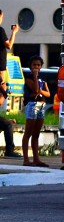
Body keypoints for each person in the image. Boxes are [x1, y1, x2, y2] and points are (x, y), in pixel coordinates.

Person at [22, 55, 50, 167]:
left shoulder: (42, 79)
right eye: (34, 65)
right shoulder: (28, 77)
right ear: (30, 66)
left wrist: (40, 92)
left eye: (38, 65)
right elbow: (35, 89)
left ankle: (36, 159)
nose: (36, 67)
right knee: (28, 132)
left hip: (42, 105)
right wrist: (34, 77)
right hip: (32, 105)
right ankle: (26, 159)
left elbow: (47, 93)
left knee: (36, 134)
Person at [0, 9, 21, 158]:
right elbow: (8, 45)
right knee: (7, 124)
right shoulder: (0, 30)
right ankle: (9, 150)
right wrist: (14, 32)